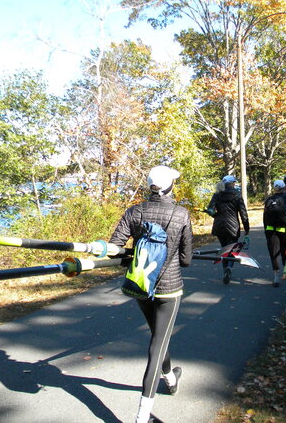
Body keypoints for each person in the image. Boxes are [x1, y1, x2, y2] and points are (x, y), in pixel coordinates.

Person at [109, 165, 193, 423]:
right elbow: (186, 259)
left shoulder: (134, 211)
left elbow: (115, 246)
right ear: (170, 186)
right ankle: (142, 415)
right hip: (169, 288)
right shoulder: (181, 214)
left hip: (142, 286)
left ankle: (169, 377)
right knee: (158, 344)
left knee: (159, 335)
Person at [206, 175, 250, 284]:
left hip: (219, 226)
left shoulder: (217, 195)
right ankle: (229, 267)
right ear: (231, 184)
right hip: (233, 227)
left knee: (224, 248)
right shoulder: (237, 195)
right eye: (234, 183)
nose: (234, 184)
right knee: (232, 249)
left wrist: (215, 215)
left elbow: (210, 209)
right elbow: (243, 214)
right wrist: (247, 229)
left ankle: (225, 269)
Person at [263, 180, 286, 287]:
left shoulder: (269, 199)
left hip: (270, 230)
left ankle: (276, 276)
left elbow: (264, 217)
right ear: (284, 188)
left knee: (273, 253)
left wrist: (266, 230)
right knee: (284, 252)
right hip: (284, 230)